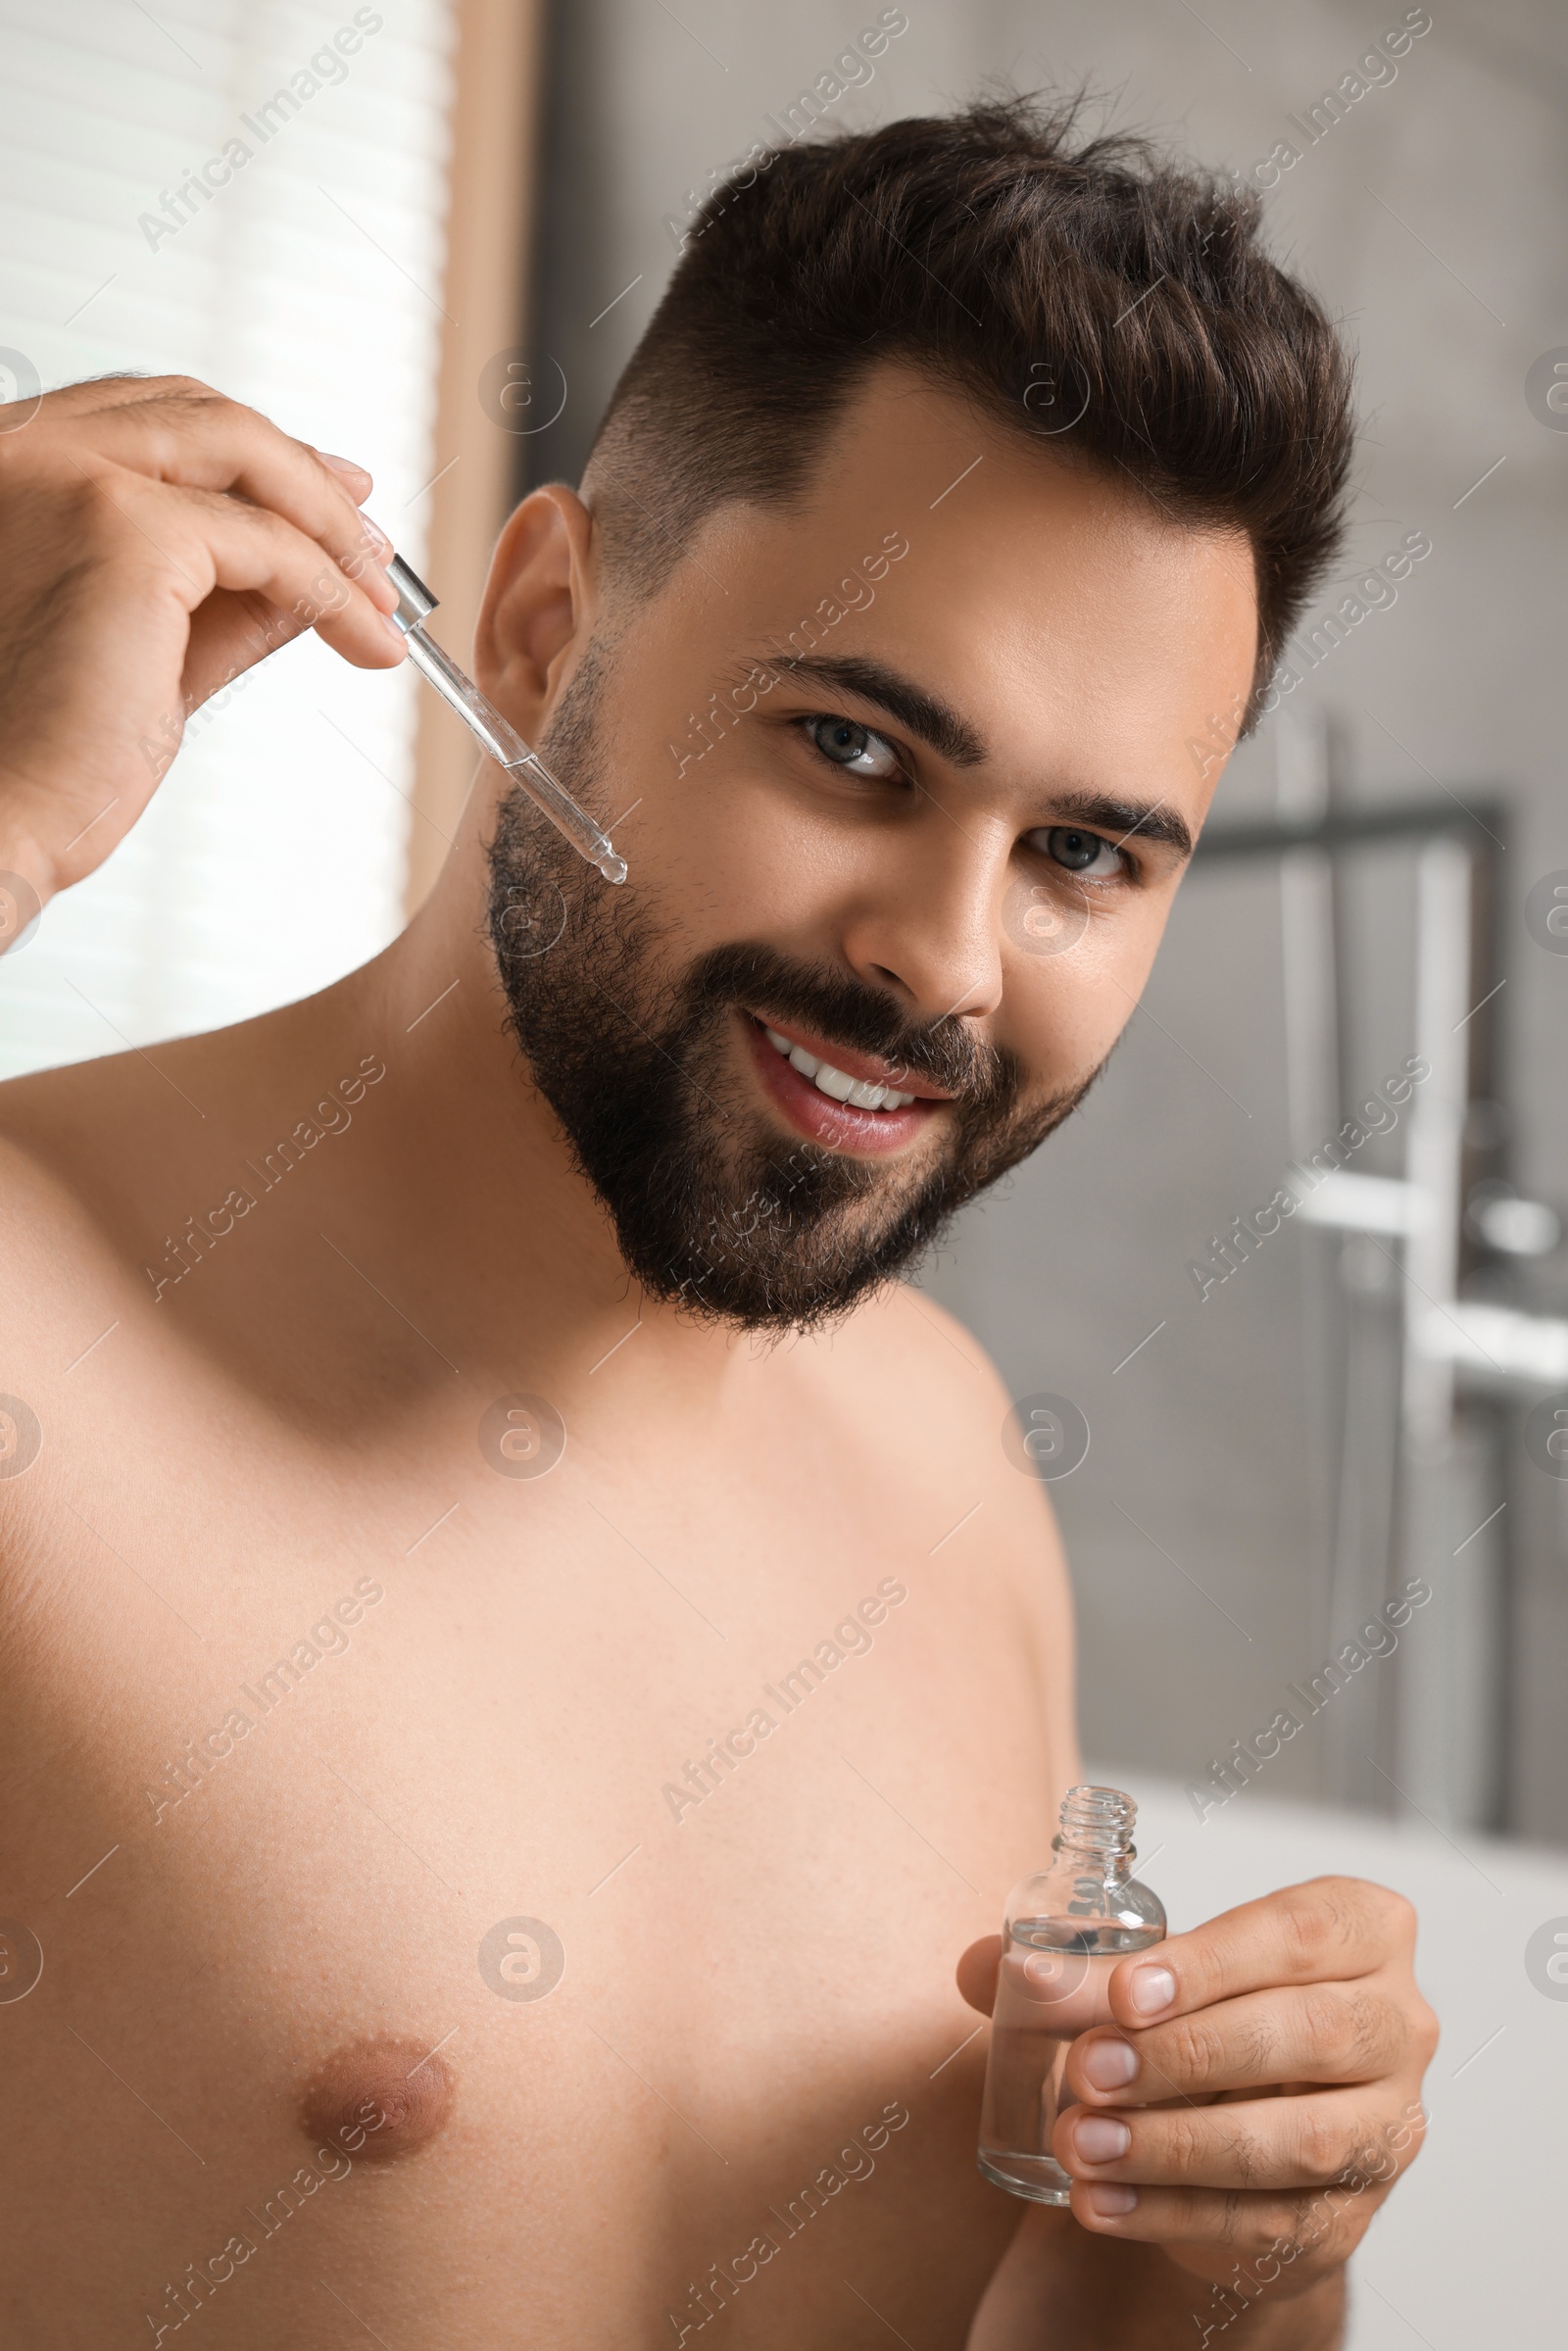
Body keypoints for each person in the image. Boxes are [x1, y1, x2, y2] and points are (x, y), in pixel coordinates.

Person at [0, 95, 1436, 2349]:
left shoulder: (950, 1465)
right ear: (547, 621)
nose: (946, 964)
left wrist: (1244, 2271)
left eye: (1084, 854)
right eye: (857, 751)